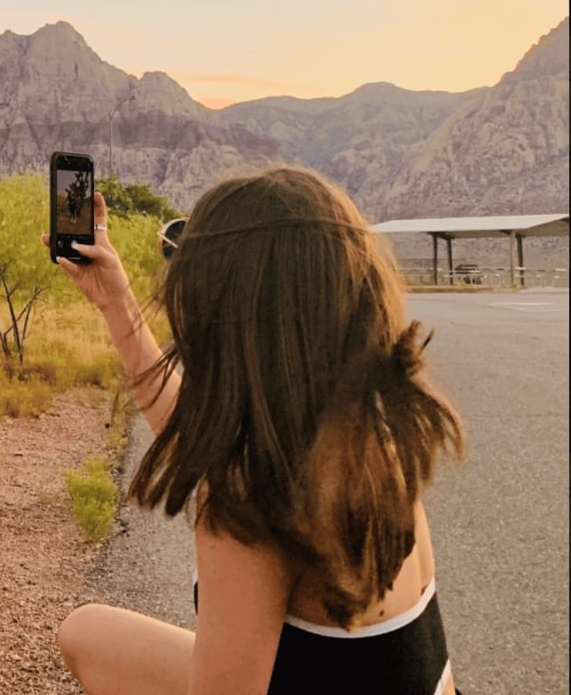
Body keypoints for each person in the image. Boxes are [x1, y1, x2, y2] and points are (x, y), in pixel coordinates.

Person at [47, 166, 463, 695]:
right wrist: (116, 301)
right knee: (89, 633)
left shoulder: (253, 501)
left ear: (230, 312)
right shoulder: (366, 433)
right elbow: (195, 432)